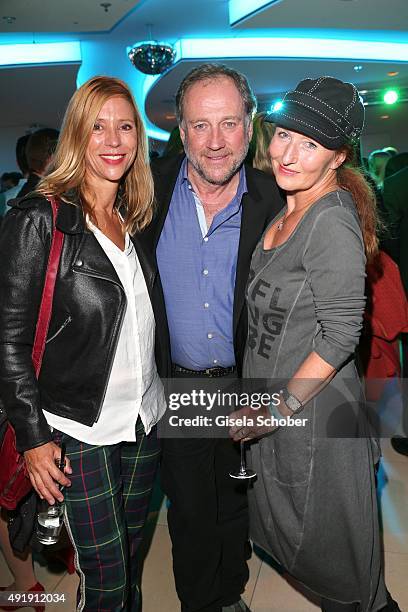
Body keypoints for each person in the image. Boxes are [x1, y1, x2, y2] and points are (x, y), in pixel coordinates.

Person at [229, 77, 400, 611]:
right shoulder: (288, 206)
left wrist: (274, 408)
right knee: (303, 542)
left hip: (315, 417)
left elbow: (341, 333)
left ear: (338, 158)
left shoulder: (330, 220)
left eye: (311, 145)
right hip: (283, 407)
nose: (288, 153)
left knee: (343, 569)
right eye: (284, 135)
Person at [0, 75, 170, 611]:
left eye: (125, 126)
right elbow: (7, 338)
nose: (114, 139)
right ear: (76, 134)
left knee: (132, 555)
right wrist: (32, 436)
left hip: (143, 421)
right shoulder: (39, 218)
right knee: (108, 575)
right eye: (98, 127)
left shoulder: (132, 219)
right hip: (78, 429)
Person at [140, 63, 284, 612]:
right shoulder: (146, 194)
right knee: (191, 509)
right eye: (201, 125)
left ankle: (230, 592)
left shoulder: (277, 200)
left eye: (229, 123)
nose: (217, 142)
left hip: (246, 383)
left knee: (236, 502)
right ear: (181, 132)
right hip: (176, 385)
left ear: (249, 126)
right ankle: (204, 602)